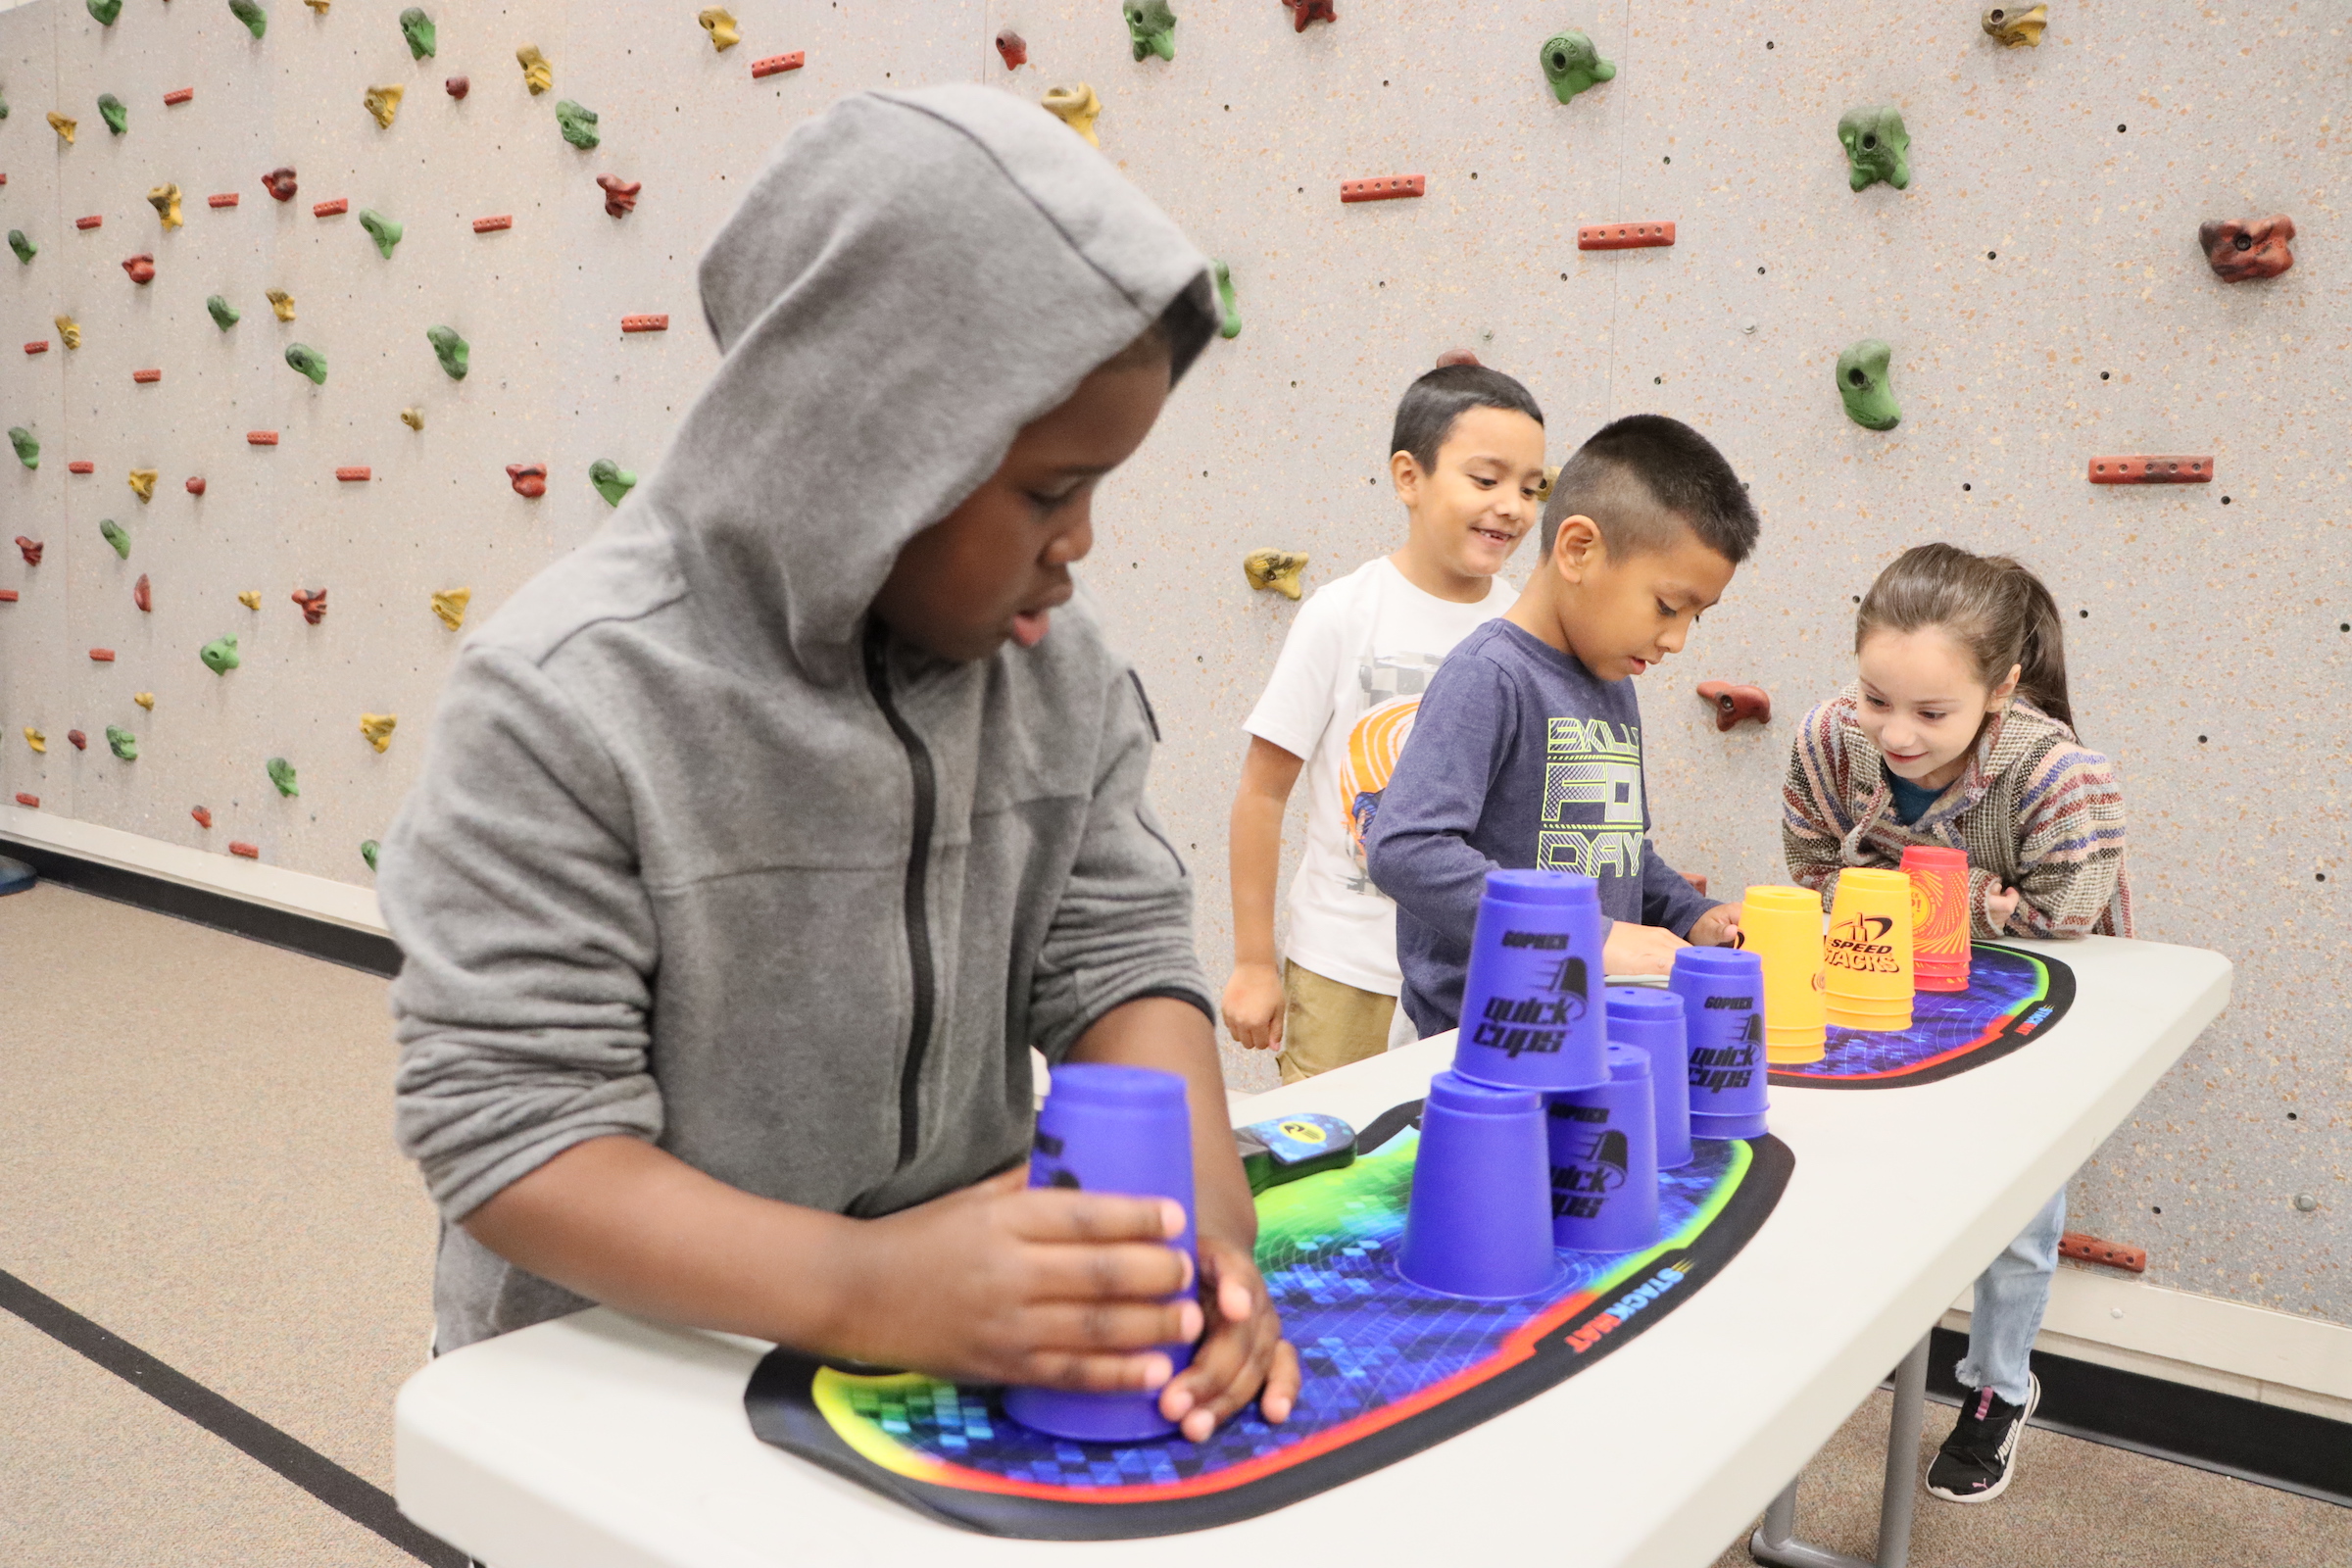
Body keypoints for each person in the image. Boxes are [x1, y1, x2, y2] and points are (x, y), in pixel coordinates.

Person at [380, 85, 1297, 1444]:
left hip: (944, 1353)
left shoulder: (1058, 663)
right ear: (863, 445)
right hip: (610, 1376)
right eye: (1050, 491)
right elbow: (510, 1128)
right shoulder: (564, 696)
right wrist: (862, 1286)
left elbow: (1113, 955)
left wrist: (1203, 1220)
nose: (1083, 541)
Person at [1783, 541, 2131, 1503]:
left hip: (2033, 995)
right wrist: (1947, 897)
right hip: (1883, 985)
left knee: (2018, 1219)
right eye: (1875, 698)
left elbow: (2063, 915)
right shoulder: (1828, 737)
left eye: (1932, 712)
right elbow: (1810, 868)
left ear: (2002, 687)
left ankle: (1997, 1390)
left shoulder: (2058, 774)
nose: (1896, 733)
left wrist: (1935, 892)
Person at [1364, 414, 1756, 1039]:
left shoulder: (1614, 684)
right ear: (1579, 549)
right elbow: (1405, 849)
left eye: (1695, 618)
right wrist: (1587, 937)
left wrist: (1693, 916)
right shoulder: (1489, 676)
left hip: (1575, 1031)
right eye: (1666, 606)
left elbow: (1618, 850)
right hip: (1475, 1039)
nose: (1678, 640)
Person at [1221, 365, 1547, 1083]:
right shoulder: (1341, 615)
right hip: (1344, 970)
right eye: (1486, 479)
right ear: (1409, 477)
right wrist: (1252, 960)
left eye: (1532, 488)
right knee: (1331, 1173)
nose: (1513, 507)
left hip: (1477, 978)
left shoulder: (1529, 628)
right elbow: (1262, 793)